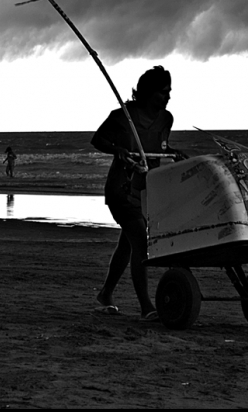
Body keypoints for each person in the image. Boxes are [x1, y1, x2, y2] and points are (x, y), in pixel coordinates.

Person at [91, 66, 186, 321]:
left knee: (127, 244)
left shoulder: (167, 119)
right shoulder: (124, 116)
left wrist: (174, 153)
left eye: (169, 92)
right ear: (147, 92)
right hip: (122, 189)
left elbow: (159, 147)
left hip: (146, 190)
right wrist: (118, 149)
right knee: (139, 242)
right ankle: (146, 307)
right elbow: (97, 139)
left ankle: (105, 293)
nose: (167, 97)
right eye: (163, 92)